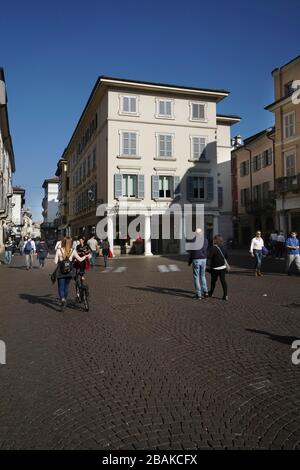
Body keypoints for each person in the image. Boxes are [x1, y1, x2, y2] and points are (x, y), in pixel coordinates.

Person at [54, 237, 90, 310]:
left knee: (61, 287)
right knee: (66, 287)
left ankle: (63, 300)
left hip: (61, 271)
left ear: (63, 242)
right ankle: (65, 300)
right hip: (69, 271)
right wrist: (86, 256)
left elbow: (55, 261)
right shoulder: (73, 250)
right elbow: (79, 259)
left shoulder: (59, 250)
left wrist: (61, 261)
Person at [188, 228, 209, 299]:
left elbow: (192, 253)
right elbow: (205, 249)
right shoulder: (206, 240)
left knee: (196, 277)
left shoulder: (193, 240)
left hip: (196, 259)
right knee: (203, 276)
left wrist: (189, 261)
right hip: (204, 259)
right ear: (202, 233)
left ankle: (198, 294)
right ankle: (206, 292)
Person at [208, 235, 229, 301]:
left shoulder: (213, 248)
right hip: (223, 267)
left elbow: (209, 257)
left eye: (214, 239)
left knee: (213, 281)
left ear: (215, 240)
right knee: (223, 281)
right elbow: (226, 256)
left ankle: (211, 293)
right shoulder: (224, 247)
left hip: (215, 268)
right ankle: (225, 295)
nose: (213, 240)